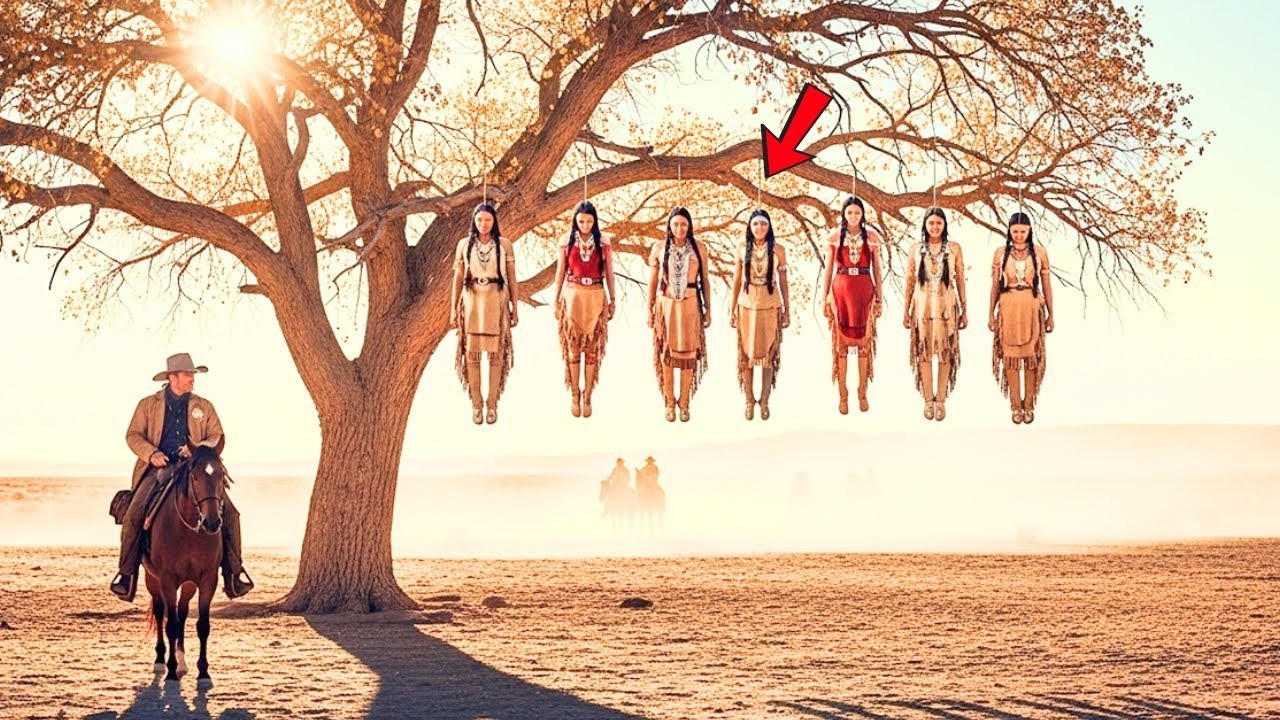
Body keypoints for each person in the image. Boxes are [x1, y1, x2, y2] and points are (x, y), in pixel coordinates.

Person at [110, 353, 253, 602]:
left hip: (195, 469)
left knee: (230, 513)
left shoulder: (204, 406)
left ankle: (234, 573)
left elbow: (216, 435)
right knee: (135, 512)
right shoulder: (148, 404)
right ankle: (126, 574)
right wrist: (151, 453)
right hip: (158, 468)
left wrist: (197, 448)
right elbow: (133, 435)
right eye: (188, 375)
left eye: (192, 376)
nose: (192, 380)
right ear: (173, 377)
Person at [451, 202, 519, 425]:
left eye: (488, 219)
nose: (483, 224)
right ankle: (476, 404)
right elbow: (458, 279)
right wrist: (453, 309)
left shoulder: (504, 244)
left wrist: (515, 307)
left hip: (496, 298)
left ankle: (492, 403)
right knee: (472, 355)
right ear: (474, 220)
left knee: (496, 354)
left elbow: (512, 277)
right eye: (479, 219)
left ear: (494, 221)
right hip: (471, 299)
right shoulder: (464, 244)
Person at [552, 201, 617, 418]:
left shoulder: (603, 242)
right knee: (572, 348)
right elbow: (560, 272)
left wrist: (613, 299)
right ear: (575, 220)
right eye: (581, 221)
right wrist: (556, 299)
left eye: (589, 221)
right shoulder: (566, 241)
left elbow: (609, 273)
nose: (585, 225)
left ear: (595, 221)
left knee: (591, 349)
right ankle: (574, 393)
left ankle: (588, 394)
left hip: (596, 294)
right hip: (572, 295)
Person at [819, 197, 884, 414]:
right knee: (842, 347)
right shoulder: (835, 238)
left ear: (862, 215)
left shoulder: (872, 237)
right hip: (841, 290)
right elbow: (828, 268)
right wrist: (824, 296)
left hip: (864, 289)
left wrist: (880, 297)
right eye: (850, 213)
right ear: (844, 215)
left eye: (857, 213)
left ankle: (862, 391)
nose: (854, 216)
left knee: (864, 345)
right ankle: (843, 394)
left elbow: (877, 269)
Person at [988, 211, 1054, 424]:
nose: (1018, 235)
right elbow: (995, 286)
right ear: (1009, 231)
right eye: (1015, 231)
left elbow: (1046, 286)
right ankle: (1015, 405)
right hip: (1008, 305)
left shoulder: (1040, 253)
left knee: (1031, 356)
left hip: (1031, 305)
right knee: (1010, 357)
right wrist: (991, 313)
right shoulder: (1000, 253)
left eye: (1022, 231)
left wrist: (1051, 314)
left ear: (1029, 231)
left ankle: (1029, 404)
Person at [903, 207, 968, 420]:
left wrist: (965, 310)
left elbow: (959, 280)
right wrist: (906, 311)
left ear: (944, 225)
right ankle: (927, 400)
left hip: (946, 304)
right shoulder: (915, 249)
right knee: (924, 352)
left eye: (939, 223)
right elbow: (910, 280)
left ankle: (941, 399)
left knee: (945, 352)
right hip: (922, 305)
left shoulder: (954, 249)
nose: (935, 227)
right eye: (931, 223)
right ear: (925, 225)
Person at [647, 207, 711, 422]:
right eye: (675, 224)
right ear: (670, 226)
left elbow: (705, 281)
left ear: (689, 226)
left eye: (683, 224)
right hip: (666, 304)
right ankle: (668, 401)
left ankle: (684, 402)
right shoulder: (659, 248)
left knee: (688, 353)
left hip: (691, 303)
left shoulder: (699, 248)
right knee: (667, 352)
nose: (679, 228)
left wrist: (708, 309)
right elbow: (653, 281)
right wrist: (649, 309)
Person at [729, 210, 790, 420]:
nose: (759, 228)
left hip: (770, 301)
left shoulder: (779, 250)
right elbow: (737, 279)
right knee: (746, 353)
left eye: (763, 224)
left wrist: (787, 308)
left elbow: (783, 281)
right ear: (750, 227)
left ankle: (764, 399)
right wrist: (732, 309)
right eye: (755, 224)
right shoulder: (741, 248)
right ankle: (748, 399)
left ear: (769, 226)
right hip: (747, 302)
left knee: (768, 355)